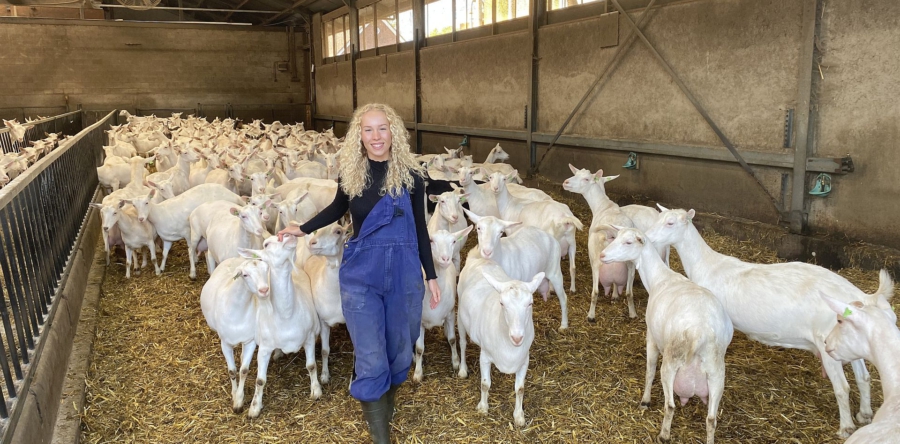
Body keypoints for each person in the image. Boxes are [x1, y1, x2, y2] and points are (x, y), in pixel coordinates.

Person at [277, 103, 440, 444]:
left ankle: (386, 397)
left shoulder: (412, 177)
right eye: (369, 129)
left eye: (382, 128)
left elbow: (421, 230)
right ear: (359, 135)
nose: (376, 136)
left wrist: (432, 274)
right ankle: (381, 436)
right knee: (370, 352)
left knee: (400, 348)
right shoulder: (352, 174)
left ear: (393, 131)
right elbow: (339, 208)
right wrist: (302, 228)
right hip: (361, 275)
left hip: (404, 272)